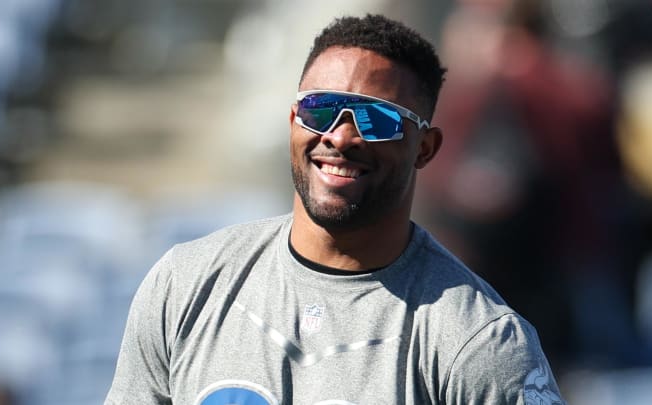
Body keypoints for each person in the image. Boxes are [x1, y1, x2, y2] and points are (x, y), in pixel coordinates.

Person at [105, 14, 565, 405]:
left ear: (425, 147)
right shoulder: (184, 284)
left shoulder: (479, 341)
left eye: (375, 118)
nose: (340, 138)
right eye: (320, 110)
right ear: (293, 122)